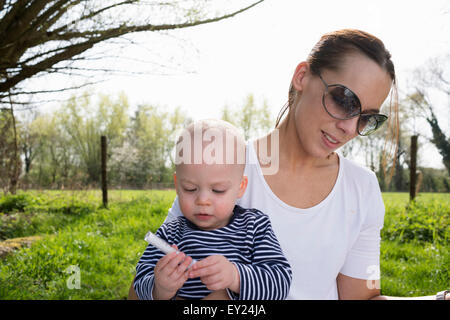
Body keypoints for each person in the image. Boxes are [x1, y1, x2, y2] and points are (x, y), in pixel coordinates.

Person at [129, 29, 449, 300]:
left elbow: (362, 298)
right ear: (302, 77)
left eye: (366, 117)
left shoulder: (362, 188)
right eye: (346, 101)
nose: (351, 128)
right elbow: (139, 291)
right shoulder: (222, 170)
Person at [133, 119, 292, 300]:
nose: (203, 201)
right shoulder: (171, 233)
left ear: (241, 187)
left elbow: (280, 281)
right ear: (177, 185)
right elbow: (140, 279)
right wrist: (159, 289)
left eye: (218, 190)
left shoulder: (255, 227)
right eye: (190, 189)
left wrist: (235, 277)